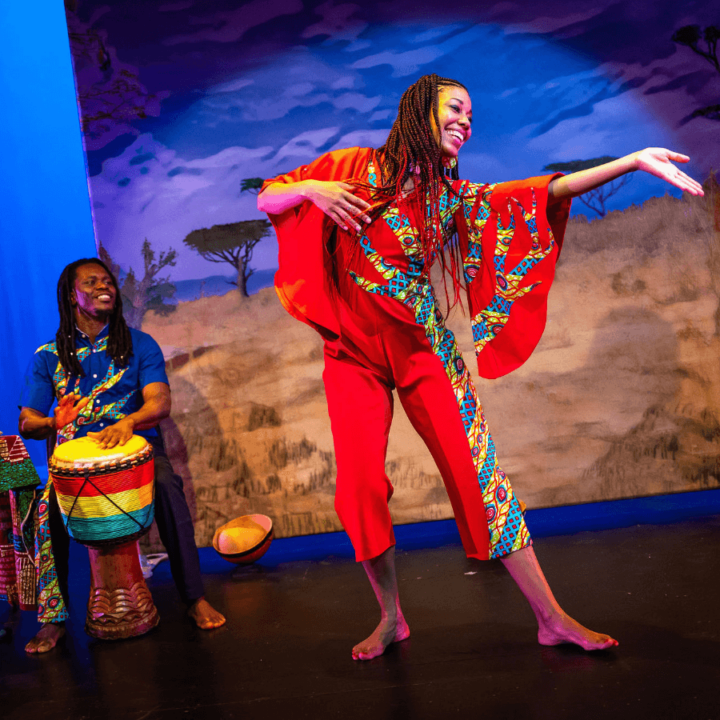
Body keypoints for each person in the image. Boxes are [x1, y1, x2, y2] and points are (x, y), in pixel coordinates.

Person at [258, 73, 703, 660]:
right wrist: (314, 188)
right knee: (360, 488)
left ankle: (552, 617)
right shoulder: (351, 165)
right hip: (352, 355)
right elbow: (269, 197)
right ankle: (391, 617)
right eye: (456, 109)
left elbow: (544, 192)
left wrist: (630, 160)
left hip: (424, 351)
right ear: (420, 109)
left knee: (481, 478)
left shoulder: (450, 197)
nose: (466, 122)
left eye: (472, 115)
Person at [18, 258, 226, 653]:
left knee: (167, 486)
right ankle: (53, 619)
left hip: (139, 453)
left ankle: (194, 597)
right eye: (92, 282)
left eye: (109, 281)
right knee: (43, 512)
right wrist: (52, 422)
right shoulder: (48, 356)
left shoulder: (139, 344)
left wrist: (128, 422)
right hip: (72, 465)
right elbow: (27, 422)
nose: (105, 286)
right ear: (71, 295)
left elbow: (160, 402)